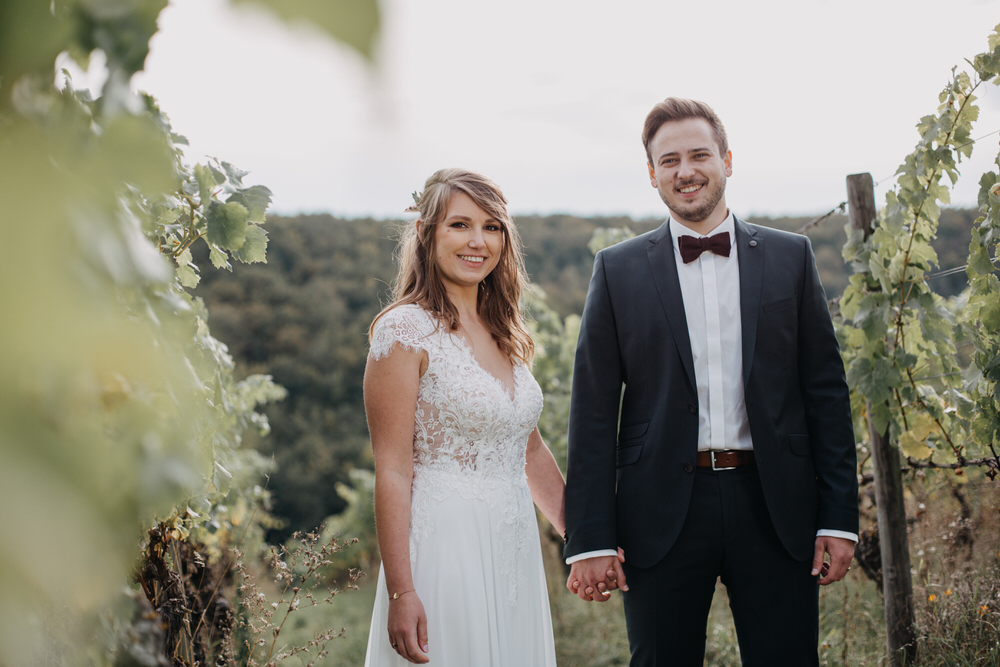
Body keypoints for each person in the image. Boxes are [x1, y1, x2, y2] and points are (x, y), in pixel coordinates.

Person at [562, 98, 859, 666]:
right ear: (652, 175)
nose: (686, 171)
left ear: (726, 159)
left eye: (699, 154)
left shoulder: (789, 257)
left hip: (776, 507)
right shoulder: (617, 269)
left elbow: (825, 393)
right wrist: (591, 539)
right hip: (659, 513)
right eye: (668, 160)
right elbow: (594, 410)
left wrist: (838, 517)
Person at [362, 168, 564, 666]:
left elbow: (529, 450)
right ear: (426, 234)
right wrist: (401, 592)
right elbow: (391, 469)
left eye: (492, 227)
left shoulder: (504, 332)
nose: (478, 241)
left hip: (513, 548)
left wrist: (583, 537)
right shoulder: (404, 332)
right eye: (460, 225)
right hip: (444, 548)